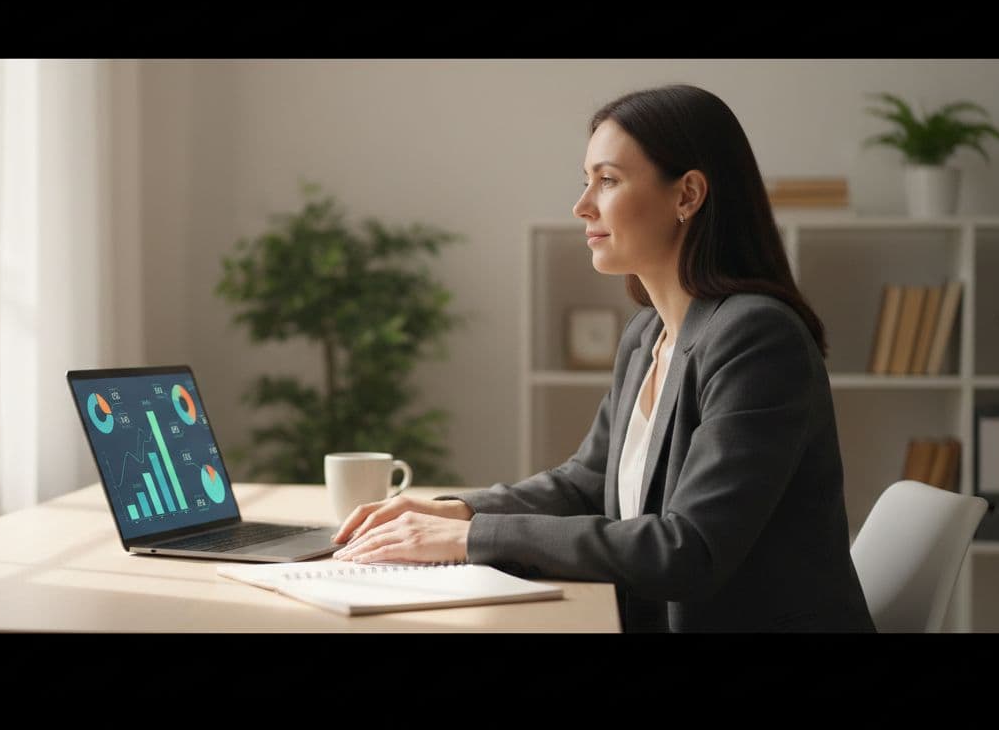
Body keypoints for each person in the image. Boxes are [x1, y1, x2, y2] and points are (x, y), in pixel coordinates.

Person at [331, 84, 876, 633]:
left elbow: (689, 549)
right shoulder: (648, 334)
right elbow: (585, 484)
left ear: (687, 195)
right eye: (585, 179)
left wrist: (471, 539)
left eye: (608, 180)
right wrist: (458, 511)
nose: (582, 204)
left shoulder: (757, 337)